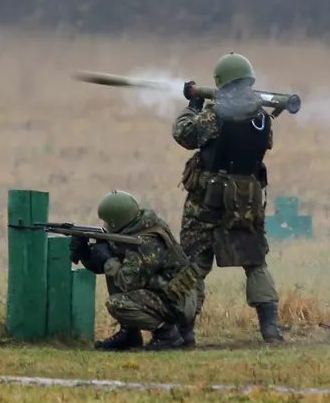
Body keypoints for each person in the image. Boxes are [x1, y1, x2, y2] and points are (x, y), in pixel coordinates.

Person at [171, 52, 283, 343]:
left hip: (208, 198)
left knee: (194, 262)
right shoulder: (262, 117)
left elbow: (184, 134)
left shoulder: (215, 114)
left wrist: (192, 104)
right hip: (246, 198)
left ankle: (184, 330)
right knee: (255, 259)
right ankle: (270, 328)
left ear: (220, 81)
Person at [70, 190, 201, 351]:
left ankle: (167, 335)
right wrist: (86, 254)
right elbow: (109, 267)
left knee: (117, 304)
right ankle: (129, 334)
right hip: (170, 295)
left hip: (177, 301)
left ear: (116, 220)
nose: (105, 226)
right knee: (116, 267)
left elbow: (126, 282)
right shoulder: (137, 230)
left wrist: (108, 259)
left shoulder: (146, 242)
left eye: (107, 223)